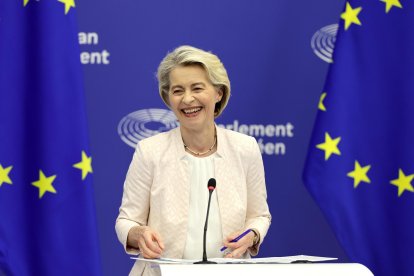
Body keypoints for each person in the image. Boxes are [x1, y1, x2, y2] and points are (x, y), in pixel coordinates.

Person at [115, 45, 271, 274]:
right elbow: (126, 221)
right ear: (168, 98)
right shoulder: (150, 151)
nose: (188, 99)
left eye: (197, 88)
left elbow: (259, 215)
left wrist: (253, 235)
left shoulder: (245, 148)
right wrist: (138, 235)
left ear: (218, 93)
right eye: (178, 91)